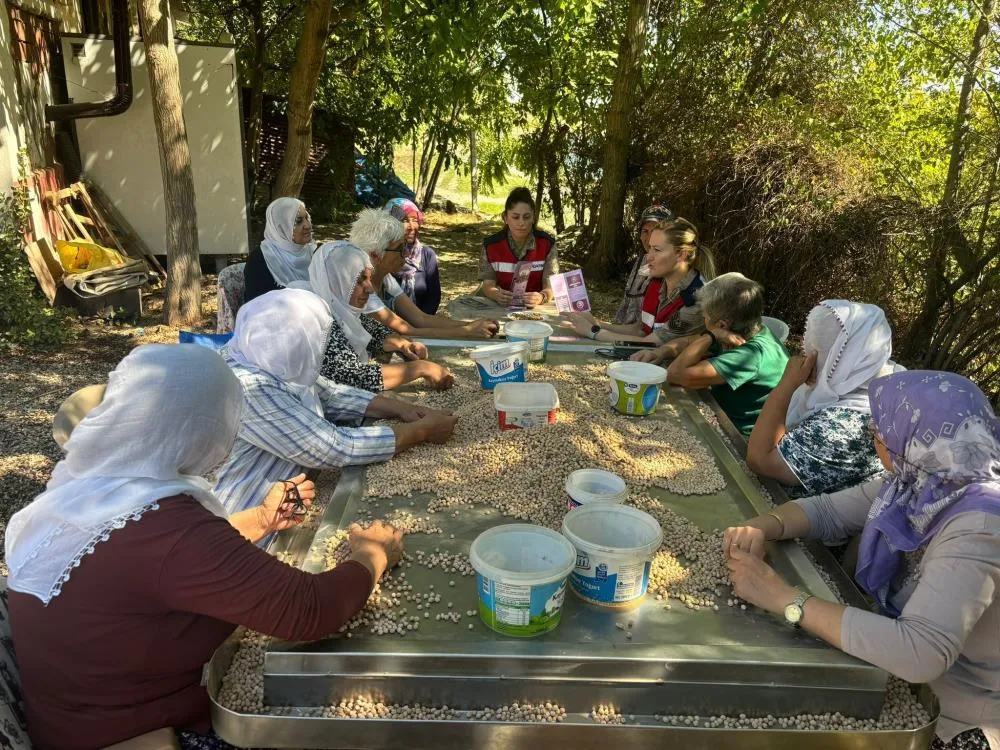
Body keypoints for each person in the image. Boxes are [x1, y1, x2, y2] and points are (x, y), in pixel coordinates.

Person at [5, 343, 407, 750]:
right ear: (201, 428)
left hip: (66, 721)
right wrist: (372, 553)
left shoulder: (84, 493)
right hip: (140, 734)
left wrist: (261, 520)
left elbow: (150, 567)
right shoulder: (170, 528)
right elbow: (308, 609)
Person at [723, 370, 1000, 750]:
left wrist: (785, 599)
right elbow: (826, 512)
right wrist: (762, 526)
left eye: (882, 432)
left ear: (920, 439)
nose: (877, 441)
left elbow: (920, 653)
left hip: (951, 718)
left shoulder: (979, 528)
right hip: (897, 675)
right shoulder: (920, 481)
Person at [214, 288, 458, 514]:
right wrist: (421, 431)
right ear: (295, 338)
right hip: (247, 518)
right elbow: (332, 447)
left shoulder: (262, 354)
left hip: (288, 498)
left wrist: (405, 409)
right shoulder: (248, 388)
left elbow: (329, 393)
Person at [746, 300, 902, 496]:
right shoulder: (875, 373)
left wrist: (786, 385)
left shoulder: (844, 426)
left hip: (797, 516)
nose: (805, 354)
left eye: (816, 349)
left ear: (844, 356)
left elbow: (760, 460)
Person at [301, 241, 457, 393]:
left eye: (369, 278)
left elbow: (375, 333)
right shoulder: (316, 318)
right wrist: (421, 368)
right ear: (336, 281)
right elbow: (353, 376)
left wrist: (404, 345)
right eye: (359, 280)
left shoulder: (343, 309)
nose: (369, 288)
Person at [666, 272, 788, 436]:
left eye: (705, 316)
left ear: (722, 325)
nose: (703, 319)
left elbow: (675, 374)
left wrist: (711, 336)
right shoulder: (751, 329)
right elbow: (692, 341)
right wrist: (663, 350)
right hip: (719, 415)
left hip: (736, 437)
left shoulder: (750, 356)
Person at [563, 217, 714, 348]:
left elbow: (651, 343)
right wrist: (597, 324)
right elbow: (641, 330)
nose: (649, 257)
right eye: (649, 249)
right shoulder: (656, 284)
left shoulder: (695, 299)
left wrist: (592, 331)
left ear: (681, 254)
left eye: (657, 250)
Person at [352, 207, 498, 339]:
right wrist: (468, 331)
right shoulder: (362, 292)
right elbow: (407, 330)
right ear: (377, 255)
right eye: (400, 248)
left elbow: (421, 319)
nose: (406, 254)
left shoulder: (385, 278)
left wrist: (473, 325)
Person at [479, 187, 558, 309]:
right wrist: (496, 294)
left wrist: (542, 296)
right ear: (505, 218)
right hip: (499, 308)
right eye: (515, 217)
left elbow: (551, 286)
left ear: (533, 218)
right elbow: (487, 284)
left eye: (526, 217)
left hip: (536, 310)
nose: (521, 223)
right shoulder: (491, 246)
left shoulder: (547, 244)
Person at [613, 202, 676, 325]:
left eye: (655, 231)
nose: (648, 238)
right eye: (645, 231)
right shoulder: (641, 261)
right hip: (624, 335)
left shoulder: (672, 270)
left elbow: (646, 330)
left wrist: (597, 330)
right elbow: (625, 306)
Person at [243, 197, 315, 302]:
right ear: (281, 227)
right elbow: (257, 306)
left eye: (306, 218)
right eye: (298, 221)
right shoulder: (261, 260)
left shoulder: (312, 252)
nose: (308, 225)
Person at [384, 197, 441, 314]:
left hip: (421, 326)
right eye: (404, 220)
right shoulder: (382, 253)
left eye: (415, 220)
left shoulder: (427, 255)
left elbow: (433, 297)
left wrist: (419, 328)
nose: (411, 226)